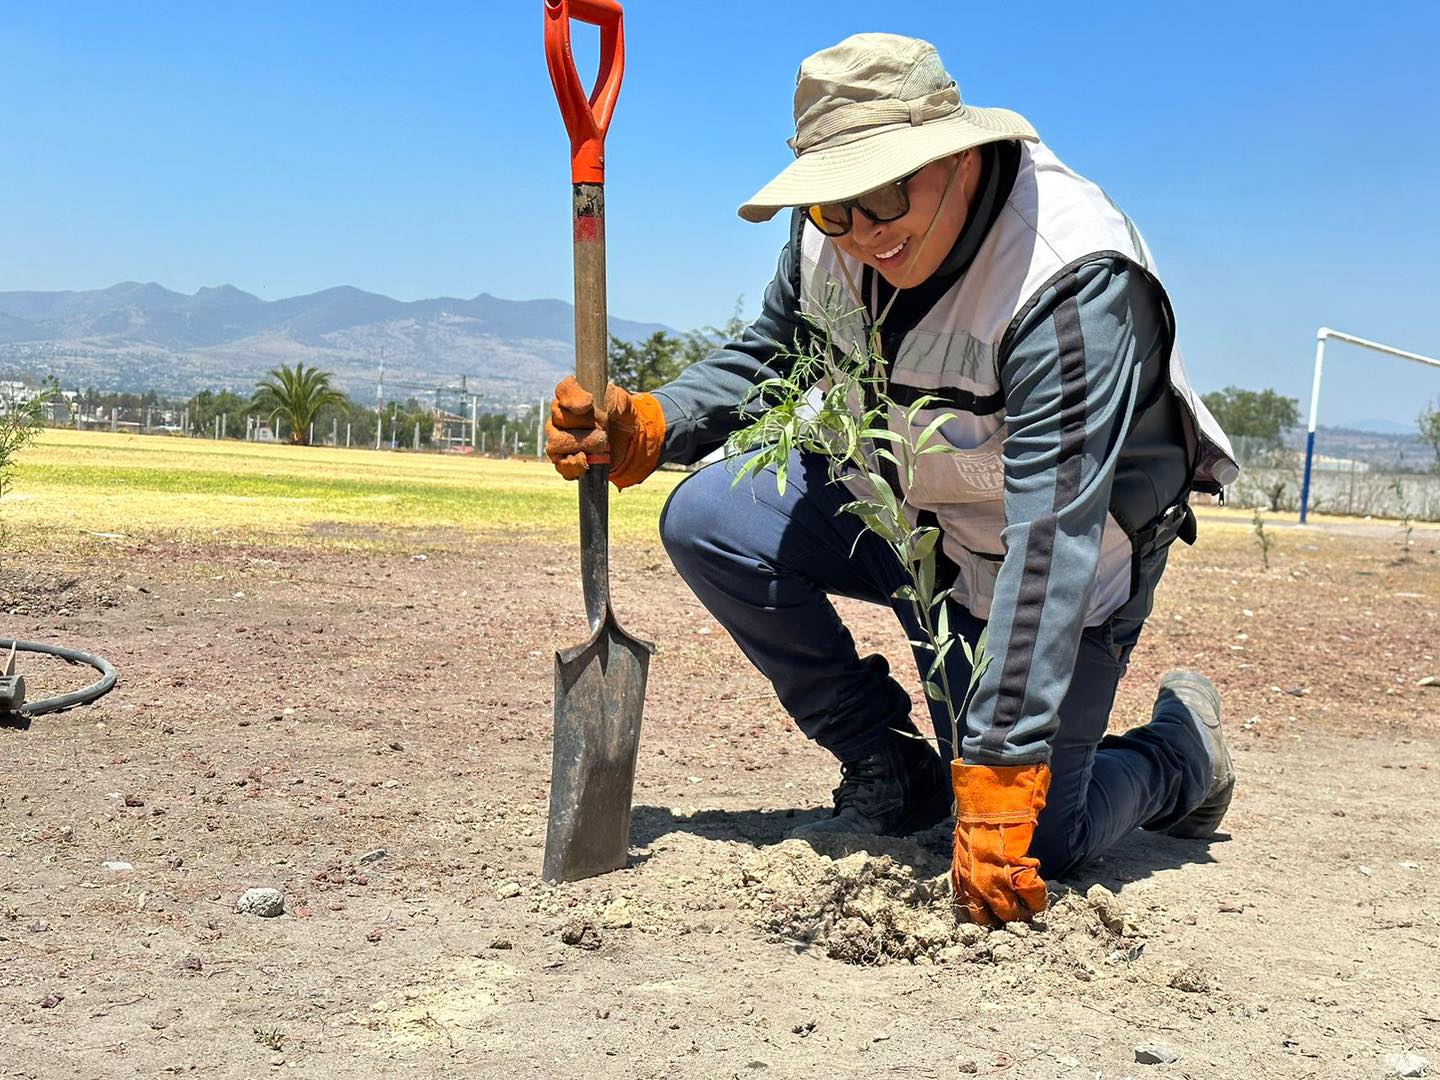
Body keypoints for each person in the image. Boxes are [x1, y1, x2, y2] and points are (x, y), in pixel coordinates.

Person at [544, 33, 1240, 926]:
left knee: (1039, 839)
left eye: (881, 193)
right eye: (834, 207)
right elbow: (780, 348)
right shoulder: (834, 227)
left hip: (1058, 566)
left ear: (952, 155)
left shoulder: (1068, 276)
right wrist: (655, 420)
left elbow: (1050, 542)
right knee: (711, 519)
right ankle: (890, 763)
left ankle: (1181, 753)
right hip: (915, 522)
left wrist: (1003, 764)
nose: (862, 232)